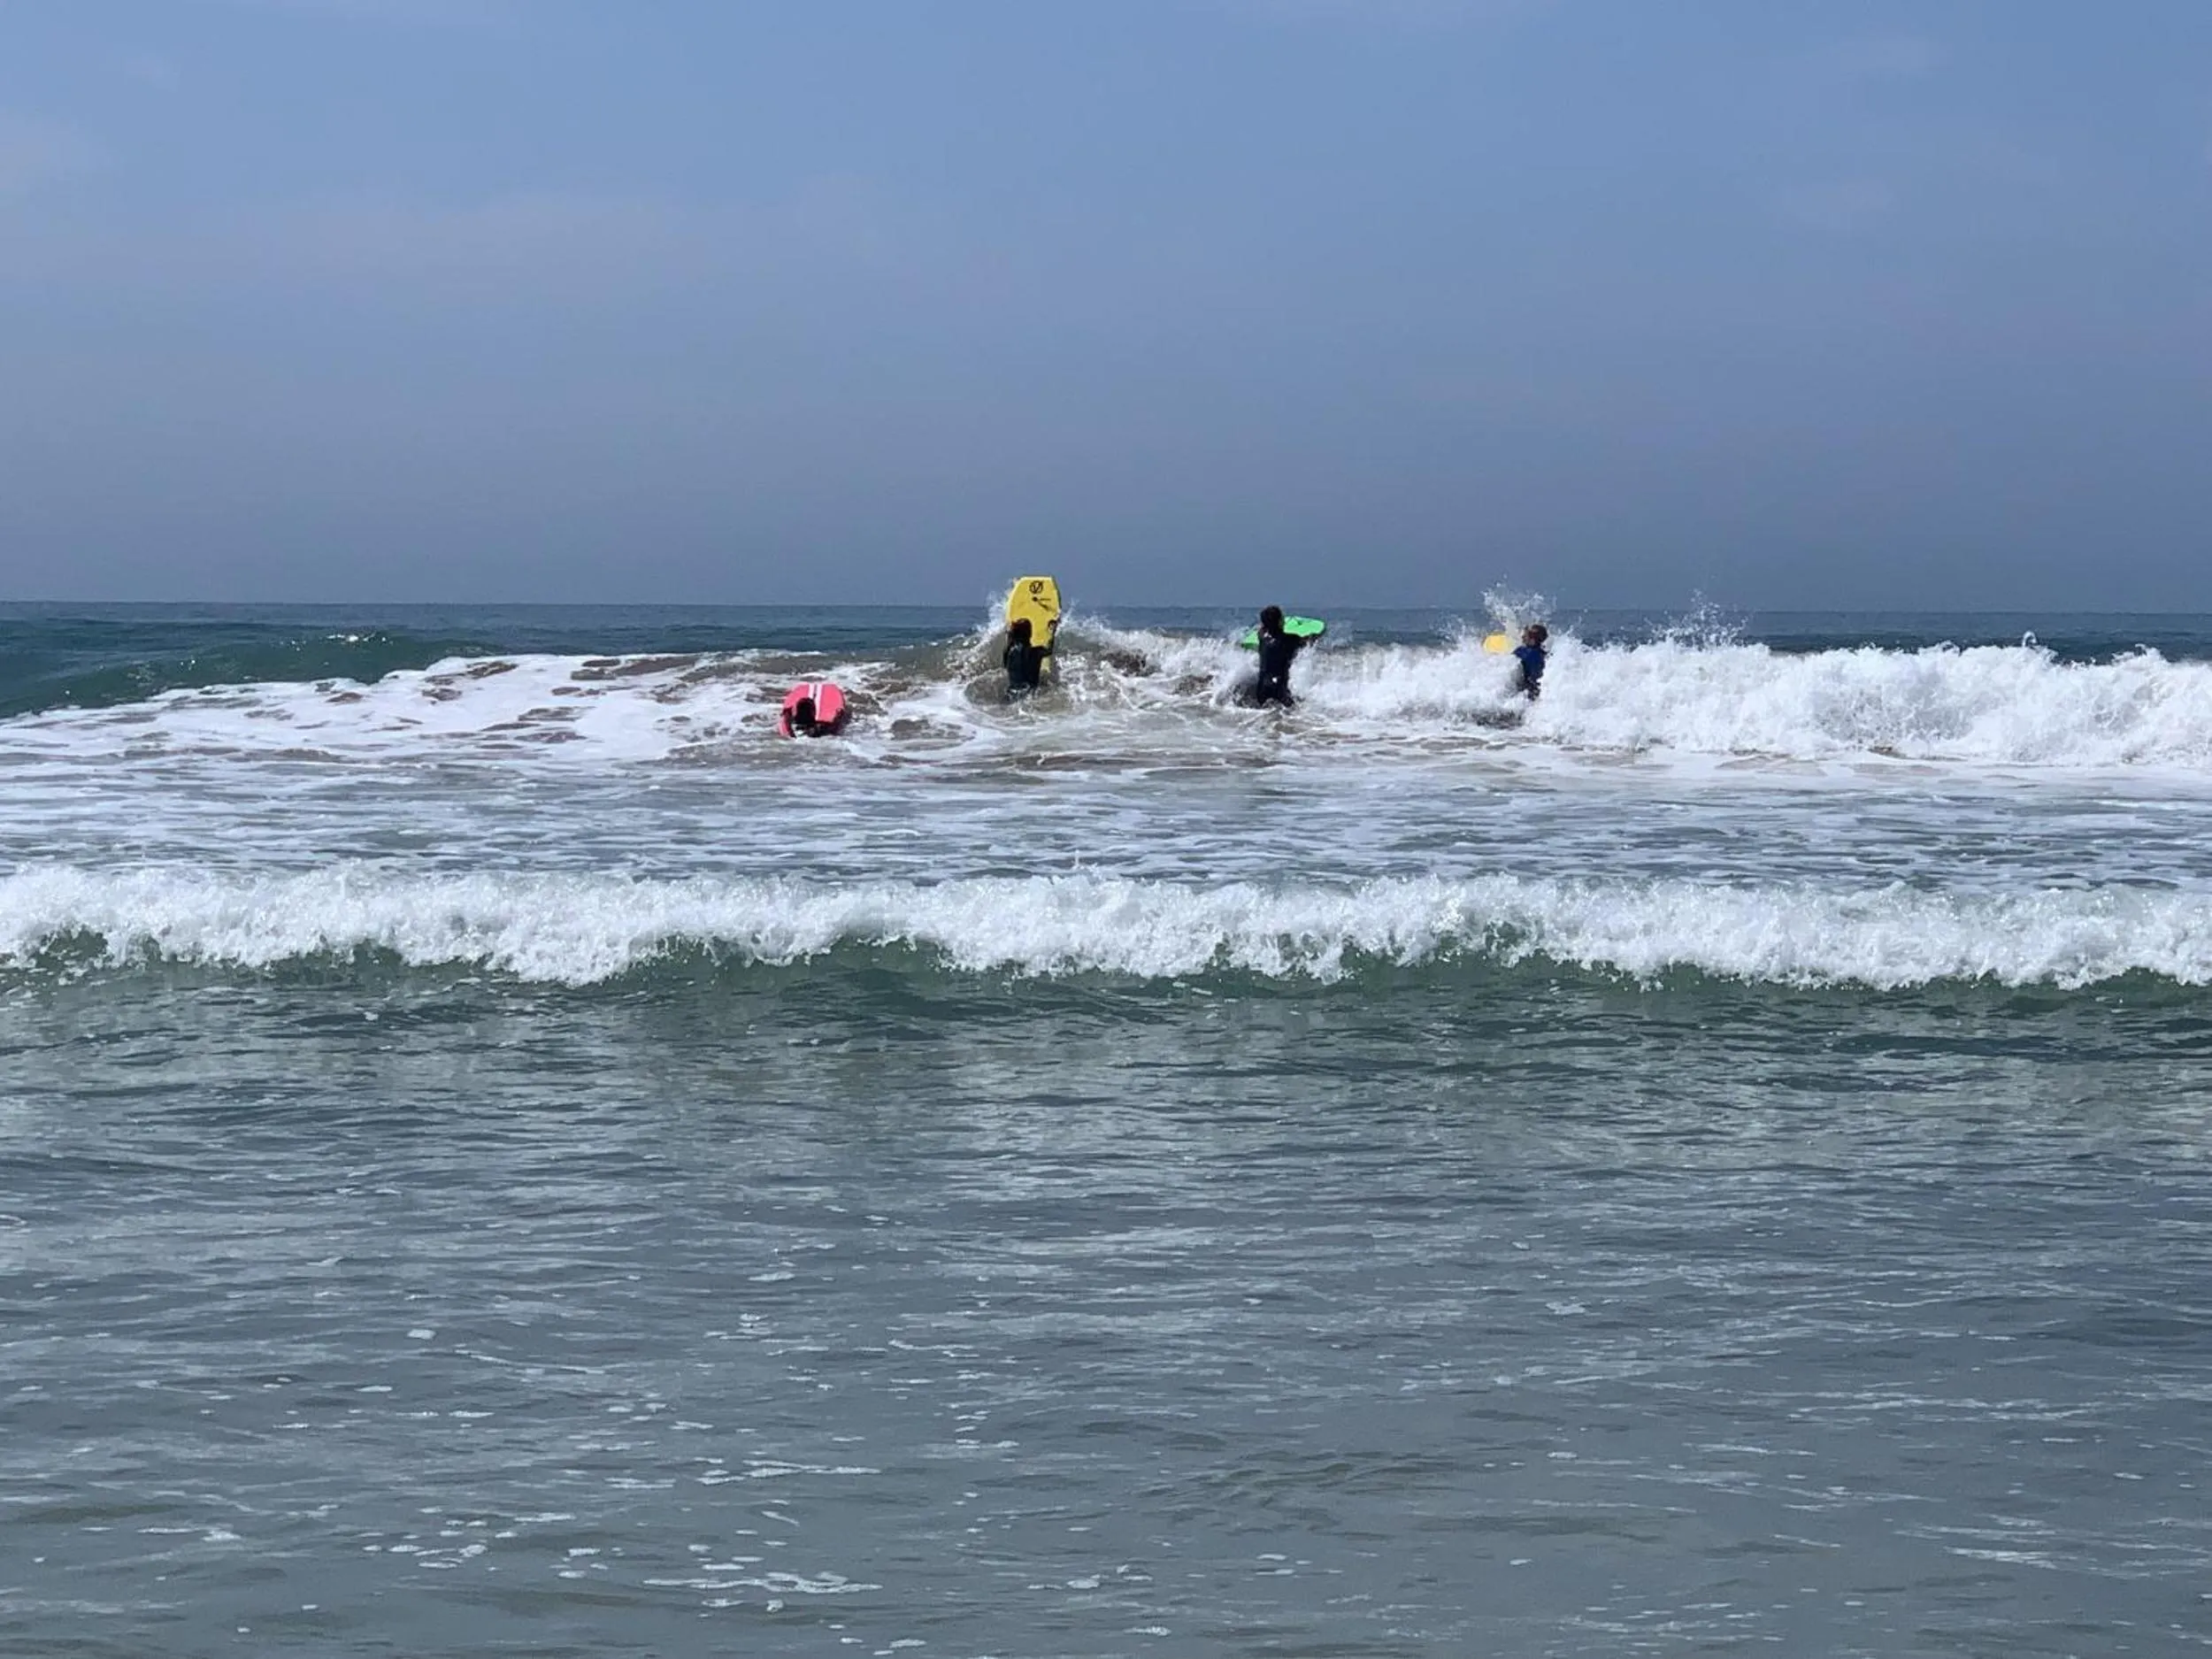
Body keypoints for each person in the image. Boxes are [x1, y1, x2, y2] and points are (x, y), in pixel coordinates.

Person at [1246, 604, 1304, 708]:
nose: (1284, 620)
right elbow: (1308, 641)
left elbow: (1262, 629)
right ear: (1279, 621)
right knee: (1289, 713)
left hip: (1262, 687)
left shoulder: (1262, 636)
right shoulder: (1291, 639)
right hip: (1279, 687)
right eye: (1282, 617)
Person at [1003, 615, 1053, 700]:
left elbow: (1005, 665)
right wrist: (1052, 632)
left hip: (1011, 694)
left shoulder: (1008, 652)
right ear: (1029, 634)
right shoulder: (1036, 651)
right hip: (1029, 695)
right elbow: (1049, 651)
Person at [1513, 624, 1549, 700]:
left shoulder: (1522, 652)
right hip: (1537, 692)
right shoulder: (1545, 654)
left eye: (1525, 635)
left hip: (1523, 694)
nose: (1522, 637)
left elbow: (1506, 663)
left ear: (1533, 639)